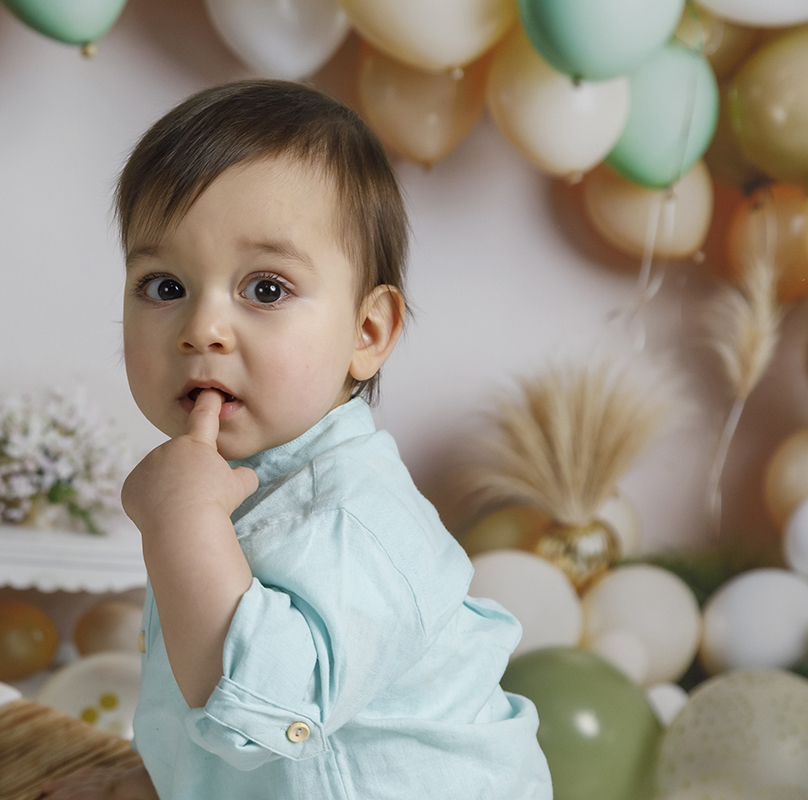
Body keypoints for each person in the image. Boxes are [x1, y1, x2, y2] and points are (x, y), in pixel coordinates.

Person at [41, 79, 552, 800]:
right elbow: (207, 688)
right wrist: (160, 777)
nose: (201, 329)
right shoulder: (238, 473)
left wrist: (183, 524)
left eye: (267, 289)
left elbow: (265, 710)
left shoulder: (352, 520)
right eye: (163, 286)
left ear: (367, 333)